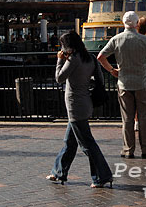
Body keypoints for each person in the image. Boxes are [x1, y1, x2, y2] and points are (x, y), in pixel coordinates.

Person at [47, 31, 113, 187]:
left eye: (63, 46)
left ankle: (102, 176)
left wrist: (59, 60)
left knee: (87, 144)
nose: (62, 49)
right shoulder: (89, 57)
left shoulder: (74, 59)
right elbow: (100, 78)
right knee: (69, 142)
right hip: (85, 102)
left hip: (75, 106)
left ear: (68, 46)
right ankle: (59, 172)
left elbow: (59, 78)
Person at [97, 11, 146, 159]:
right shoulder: (144, 40)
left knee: (127, 119)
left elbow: (100, 57)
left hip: (124, 84)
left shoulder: (116, 39)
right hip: (142, 83)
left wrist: (112, 70)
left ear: (123, 24)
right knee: (144, 118)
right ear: (137, 24)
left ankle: (128, 150)